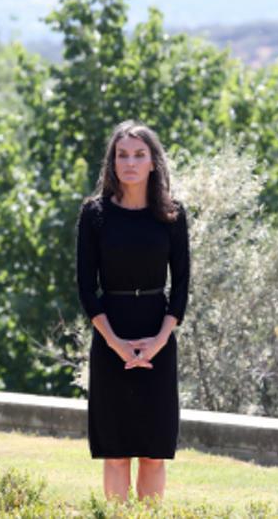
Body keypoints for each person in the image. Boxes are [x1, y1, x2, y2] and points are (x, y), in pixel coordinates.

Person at [75, 121, 190, 502]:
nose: (130, 163)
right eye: (122, 155)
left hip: (159, 335)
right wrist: (116, 344)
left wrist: (159, 341)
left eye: (139, 155)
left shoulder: (173, 214)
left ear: (154, 162)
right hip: (111, 336)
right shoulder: (94, 214)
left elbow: (182, 286)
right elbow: (86, 289)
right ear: (112, 163)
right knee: (116, 452)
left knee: (154, 455)